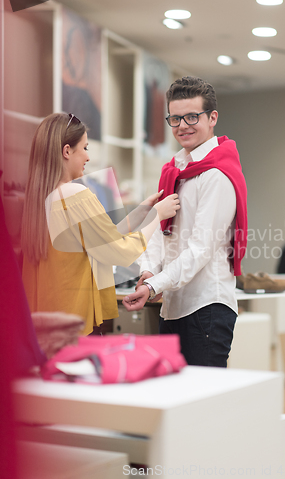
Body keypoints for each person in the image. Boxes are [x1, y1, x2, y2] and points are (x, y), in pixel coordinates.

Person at [123, 76, 247, 367]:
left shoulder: (216, 174)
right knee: (176, 402)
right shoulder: (174, 169)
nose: (182, 126)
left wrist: (155, 285)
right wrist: (148, 272)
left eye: (192, 116)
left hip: (207, 307)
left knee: (204, 407)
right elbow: (161, 232)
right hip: (173, 305)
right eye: (175, 118)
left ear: (212, 117)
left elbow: (200, 248)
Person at [21, 113, 180, 335]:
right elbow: (118, 252)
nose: (87, 157)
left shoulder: (42, 199)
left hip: (45, 321)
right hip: (74, 322)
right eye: (85, 148)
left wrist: (140, 213)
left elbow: (100, 241)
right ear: (67, 151)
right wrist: (157, 216)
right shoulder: (75, 194)